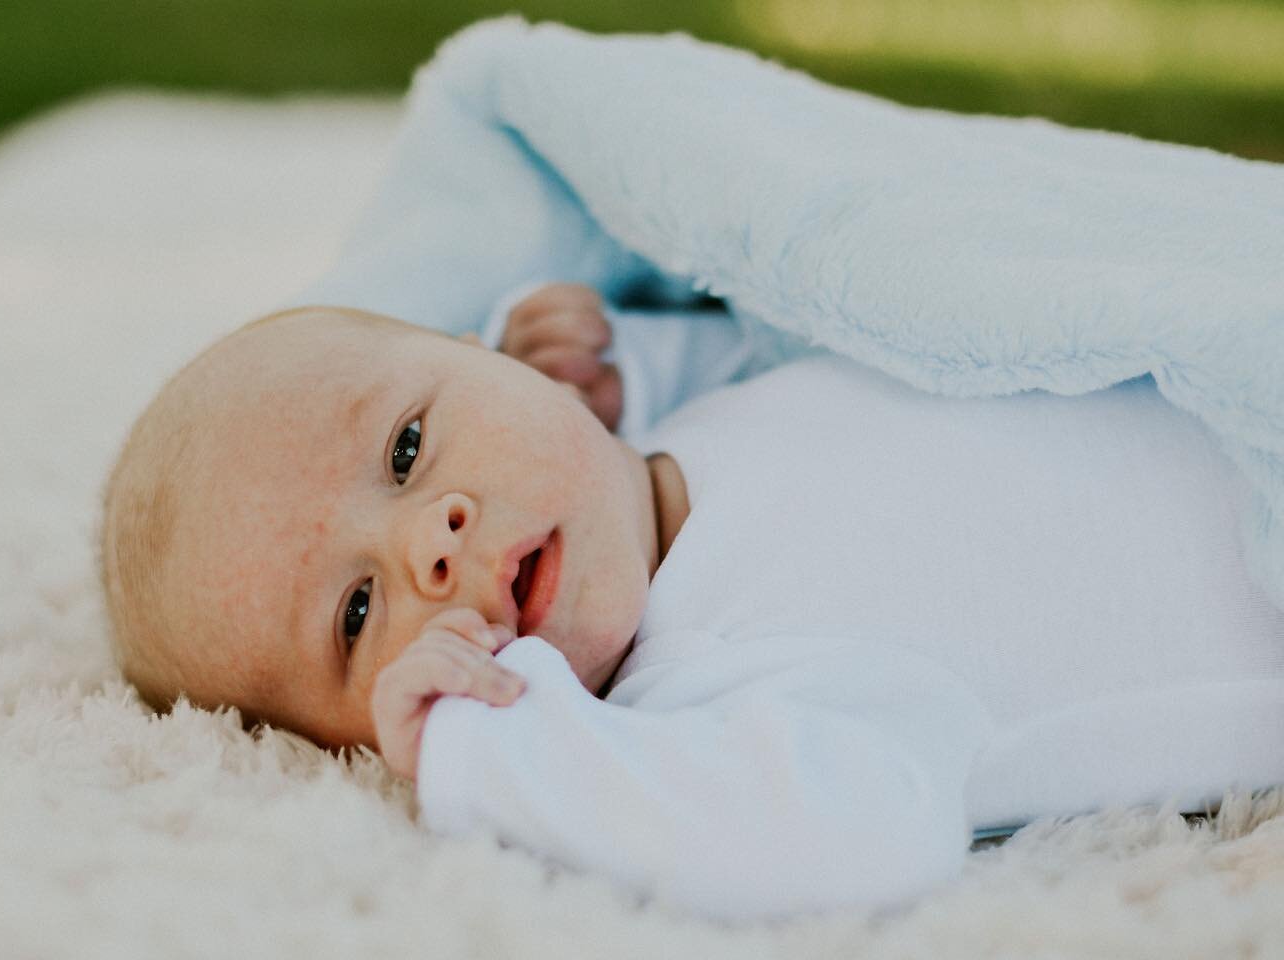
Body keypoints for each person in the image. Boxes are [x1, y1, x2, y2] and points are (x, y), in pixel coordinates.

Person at [100, 282, 1284, 921]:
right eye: (358, 615)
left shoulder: (688, 422)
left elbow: (824, 328)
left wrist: (627, 361)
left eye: (409, 443)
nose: (429, 541)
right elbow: (860, 835)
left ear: (495, 359)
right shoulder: (710, 698)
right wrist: (500, 754)